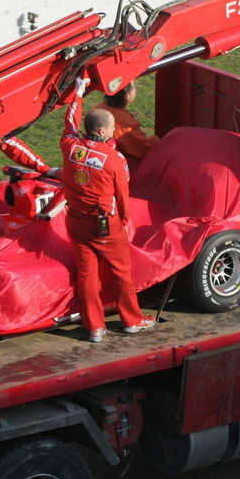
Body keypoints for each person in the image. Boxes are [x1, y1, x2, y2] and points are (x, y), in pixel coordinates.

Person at [60, 77, 154, 342]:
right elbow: (123, 195)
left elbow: (70, 121)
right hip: (105, 223)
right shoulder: (115, 160)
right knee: (121, 271)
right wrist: (123, 218)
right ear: (102, 132)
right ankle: (131, 320)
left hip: (76, 221)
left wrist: (78, 93)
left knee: (87, 275)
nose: (114, 131)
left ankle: (94, 327)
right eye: (112, 128)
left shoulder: (70, 147)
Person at [94, 81, 158, 168]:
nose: (136, 90)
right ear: (127, 96)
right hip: (115, 165)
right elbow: (144, 148)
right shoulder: (126, 124)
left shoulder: (99, 107)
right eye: (134, 89)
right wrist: (157, 140)